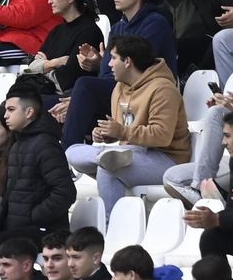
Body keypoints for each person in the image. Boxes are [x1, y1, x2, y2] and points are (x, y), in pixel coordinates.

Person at [65, 35, 191, 214]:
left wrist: (121, 131)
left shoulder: (163, 89)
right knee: (72, 152)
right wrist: (106, 135)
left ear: (128, 62)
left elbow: (162, 136)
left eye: (113, 58)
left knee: (109, 169)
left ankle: (111, 226)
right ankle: (102, 156)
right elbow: (123, 130)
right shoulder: (119, 87)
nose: (108, 64)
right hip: (131, 152)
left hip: (167, 158)